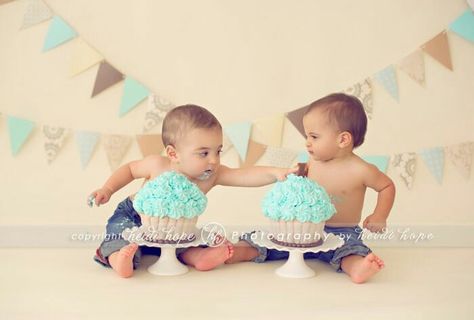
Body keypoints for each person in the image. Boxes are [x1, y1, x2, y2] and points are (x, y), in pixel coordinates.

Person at [89, 104, 295, 278]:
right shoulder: (157, 165)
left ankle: (199, 258)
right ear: (173, 153)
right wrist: (108, 188)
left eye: (218, 151)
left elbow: (244, 175)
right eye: (203, 153)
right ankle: (119, 259)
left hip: (176, 227)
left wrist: (275, 172)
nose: (213, 160)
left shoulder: (212, 175)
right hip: (134, 216)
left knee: (188, 242)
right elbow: (129, 170)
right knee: (118, 237)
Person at [226, 93, 396, 284]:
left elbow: (387, 186)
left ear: (343, 140)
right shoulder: (314, 161)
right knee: (273, 241)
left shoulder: (362, 170)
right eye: (307, 136)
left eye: (314, 136)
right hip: (303, 229)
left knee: (348, 249)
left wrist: (379, 216)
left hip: (342, 231)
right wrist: (297, 175)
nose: (307, 142)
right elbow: (304, 183)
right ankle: (238, 251)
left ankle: (357, 267)